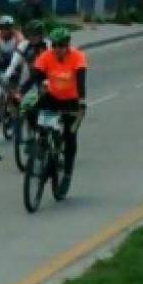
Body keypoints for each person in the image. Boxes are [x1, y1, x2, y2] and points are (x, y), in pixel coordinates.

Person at [19, 26, 87, 191]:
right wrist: (20, 92)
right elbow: (34, 76)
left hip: (71, 101)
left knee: (70, 137)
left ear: (67, 45)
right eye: (54, 45)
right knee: (29, 110)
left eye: (61, 46)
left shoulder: (78, 57)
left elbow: (80, 81)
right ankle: (41, 141)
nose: (57, 49)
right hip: (52, 97)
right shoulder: (46, 56)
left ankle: (67, 175)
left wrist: (81, 102)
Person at [2, 19, 50, 92]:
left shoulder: (49, 45)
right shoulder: (24, 45)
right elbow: (13, 64)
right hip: (31, 78)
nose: (32, 37)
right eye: (29, 34)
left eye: (35, 34)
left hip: (48, 77)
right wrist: (6, 76)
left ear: (41, 34)